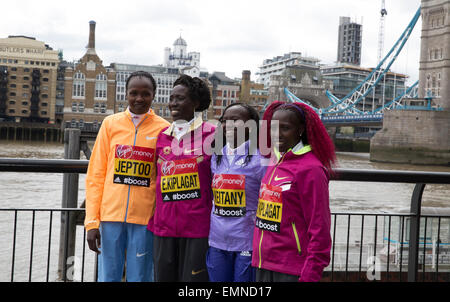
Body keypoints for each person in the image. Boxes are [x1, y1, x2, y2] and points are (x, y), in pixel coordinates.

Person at [84, 71, 170, 282]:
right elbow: (96, 175)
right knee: (107, 277)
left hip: (145, 219)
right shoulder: (110, 124)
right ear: (126, 94)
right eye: (134, 93)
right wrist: (92, 223)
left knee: (140, 277)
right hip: (110, 216)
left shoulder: (164, 129)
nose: (139, 98)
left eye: (145, 93)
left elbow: (165, 179)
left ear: (154, 95)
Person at [252, 101, 337, 282]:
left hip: (291, 269)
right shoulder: (275, 160)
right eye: (273, 128)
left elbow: (320, 230)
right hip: (263, 263)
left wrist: (310, 275)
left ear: (300, 130)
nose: (277, 134)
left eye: (285, 128)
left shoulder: (311, 169)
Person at [148, 74, 215, 282]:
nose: (173, 103)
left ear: (195, 103)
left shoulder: (213, 134)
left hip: (197, 228)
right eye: (171, 98)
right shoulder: (162, 136)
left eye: (180, 98)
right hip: (163, 227)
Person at [206, 103, 267, 282]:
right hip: (217, 240)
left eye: (236, 120)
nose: (228, 125)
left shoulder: (261, 158)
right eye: (225, 121)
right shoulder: (217, 156)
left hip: (246, 241)